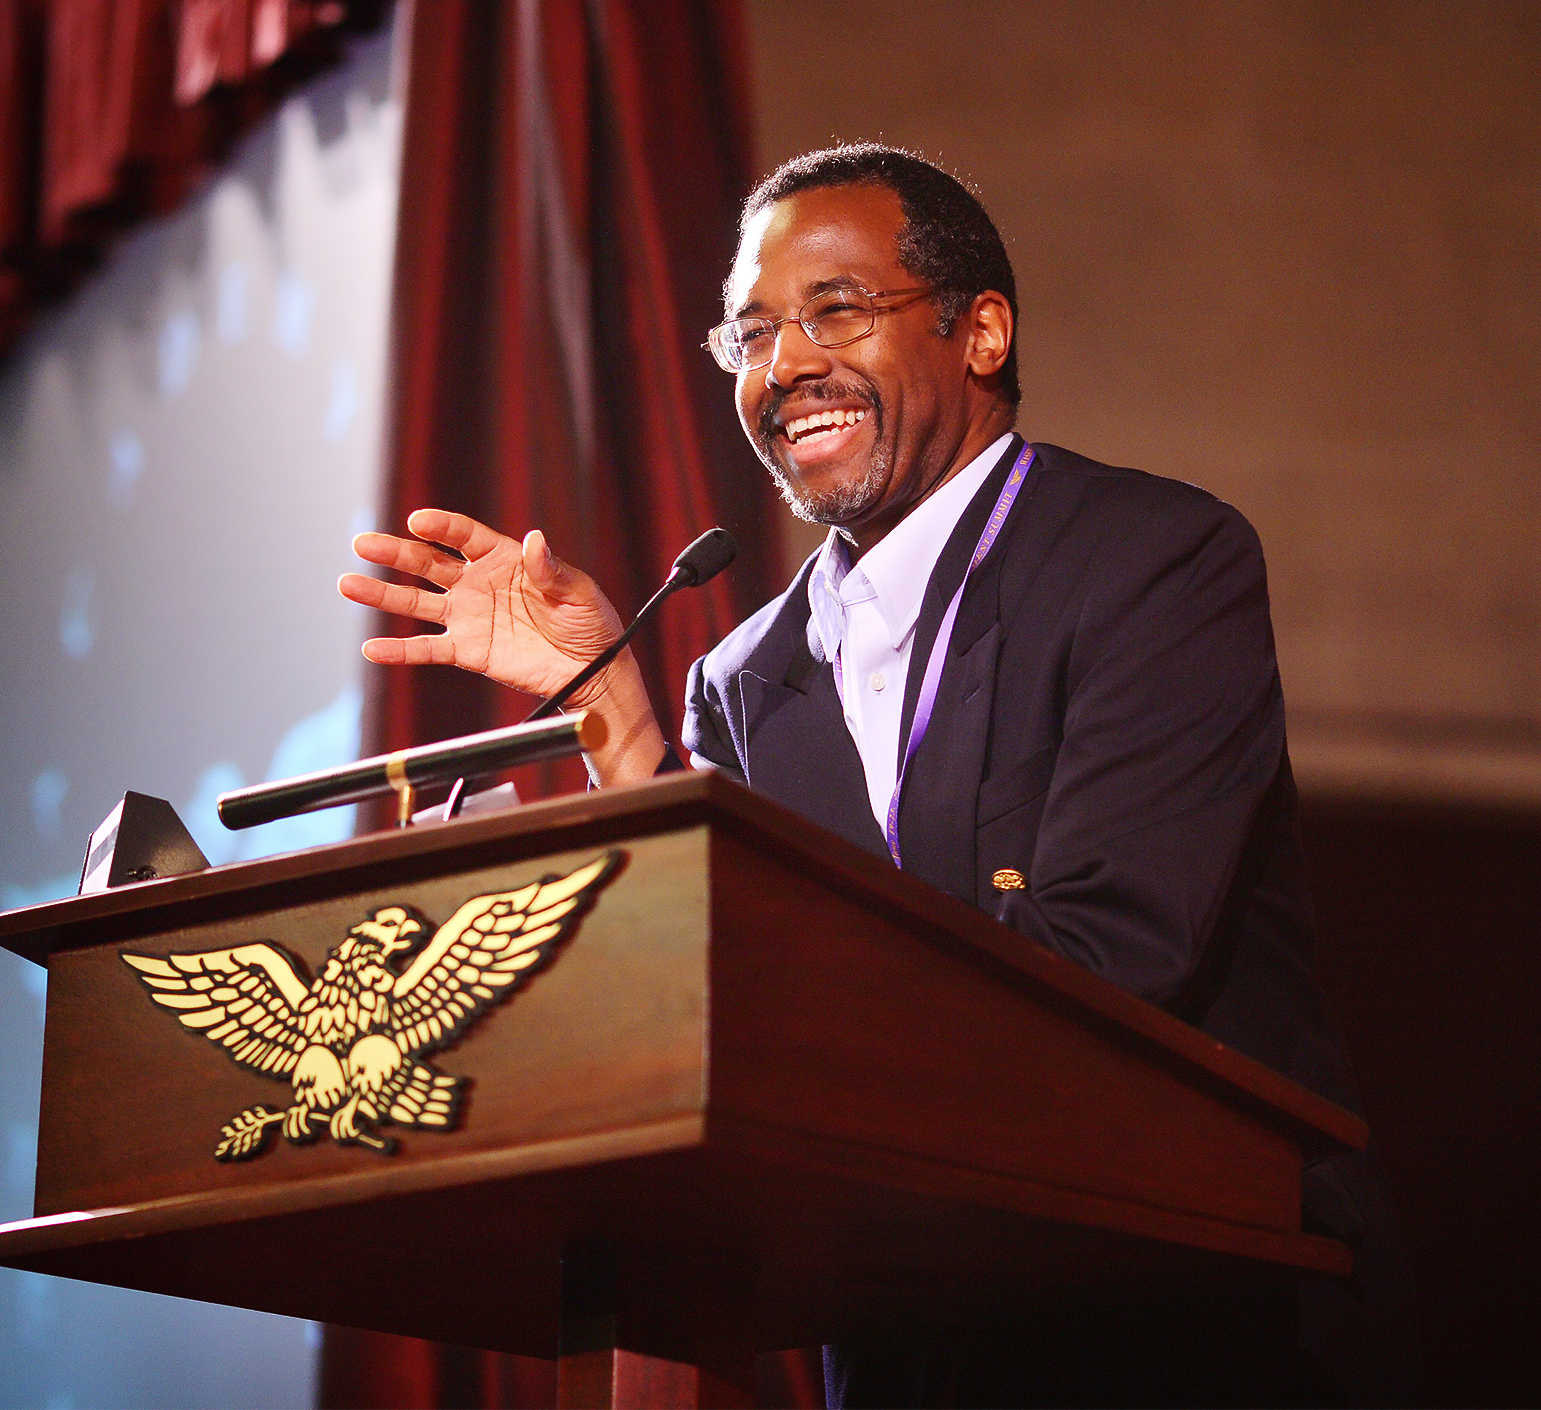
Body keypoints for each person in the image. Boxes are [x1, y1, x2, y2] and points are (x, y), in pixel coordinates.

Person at [340, 144, 1414, 1406]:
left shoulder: (1152, 563)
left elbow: (1110, 962)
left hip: (1195, 1313)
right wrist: (618, 722)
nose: (783, 365)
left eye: (834, 310)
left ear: (982, 331)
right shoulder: (741, 678)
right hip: (914, 1338)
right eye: (748, 335)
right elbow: (717, 1002)